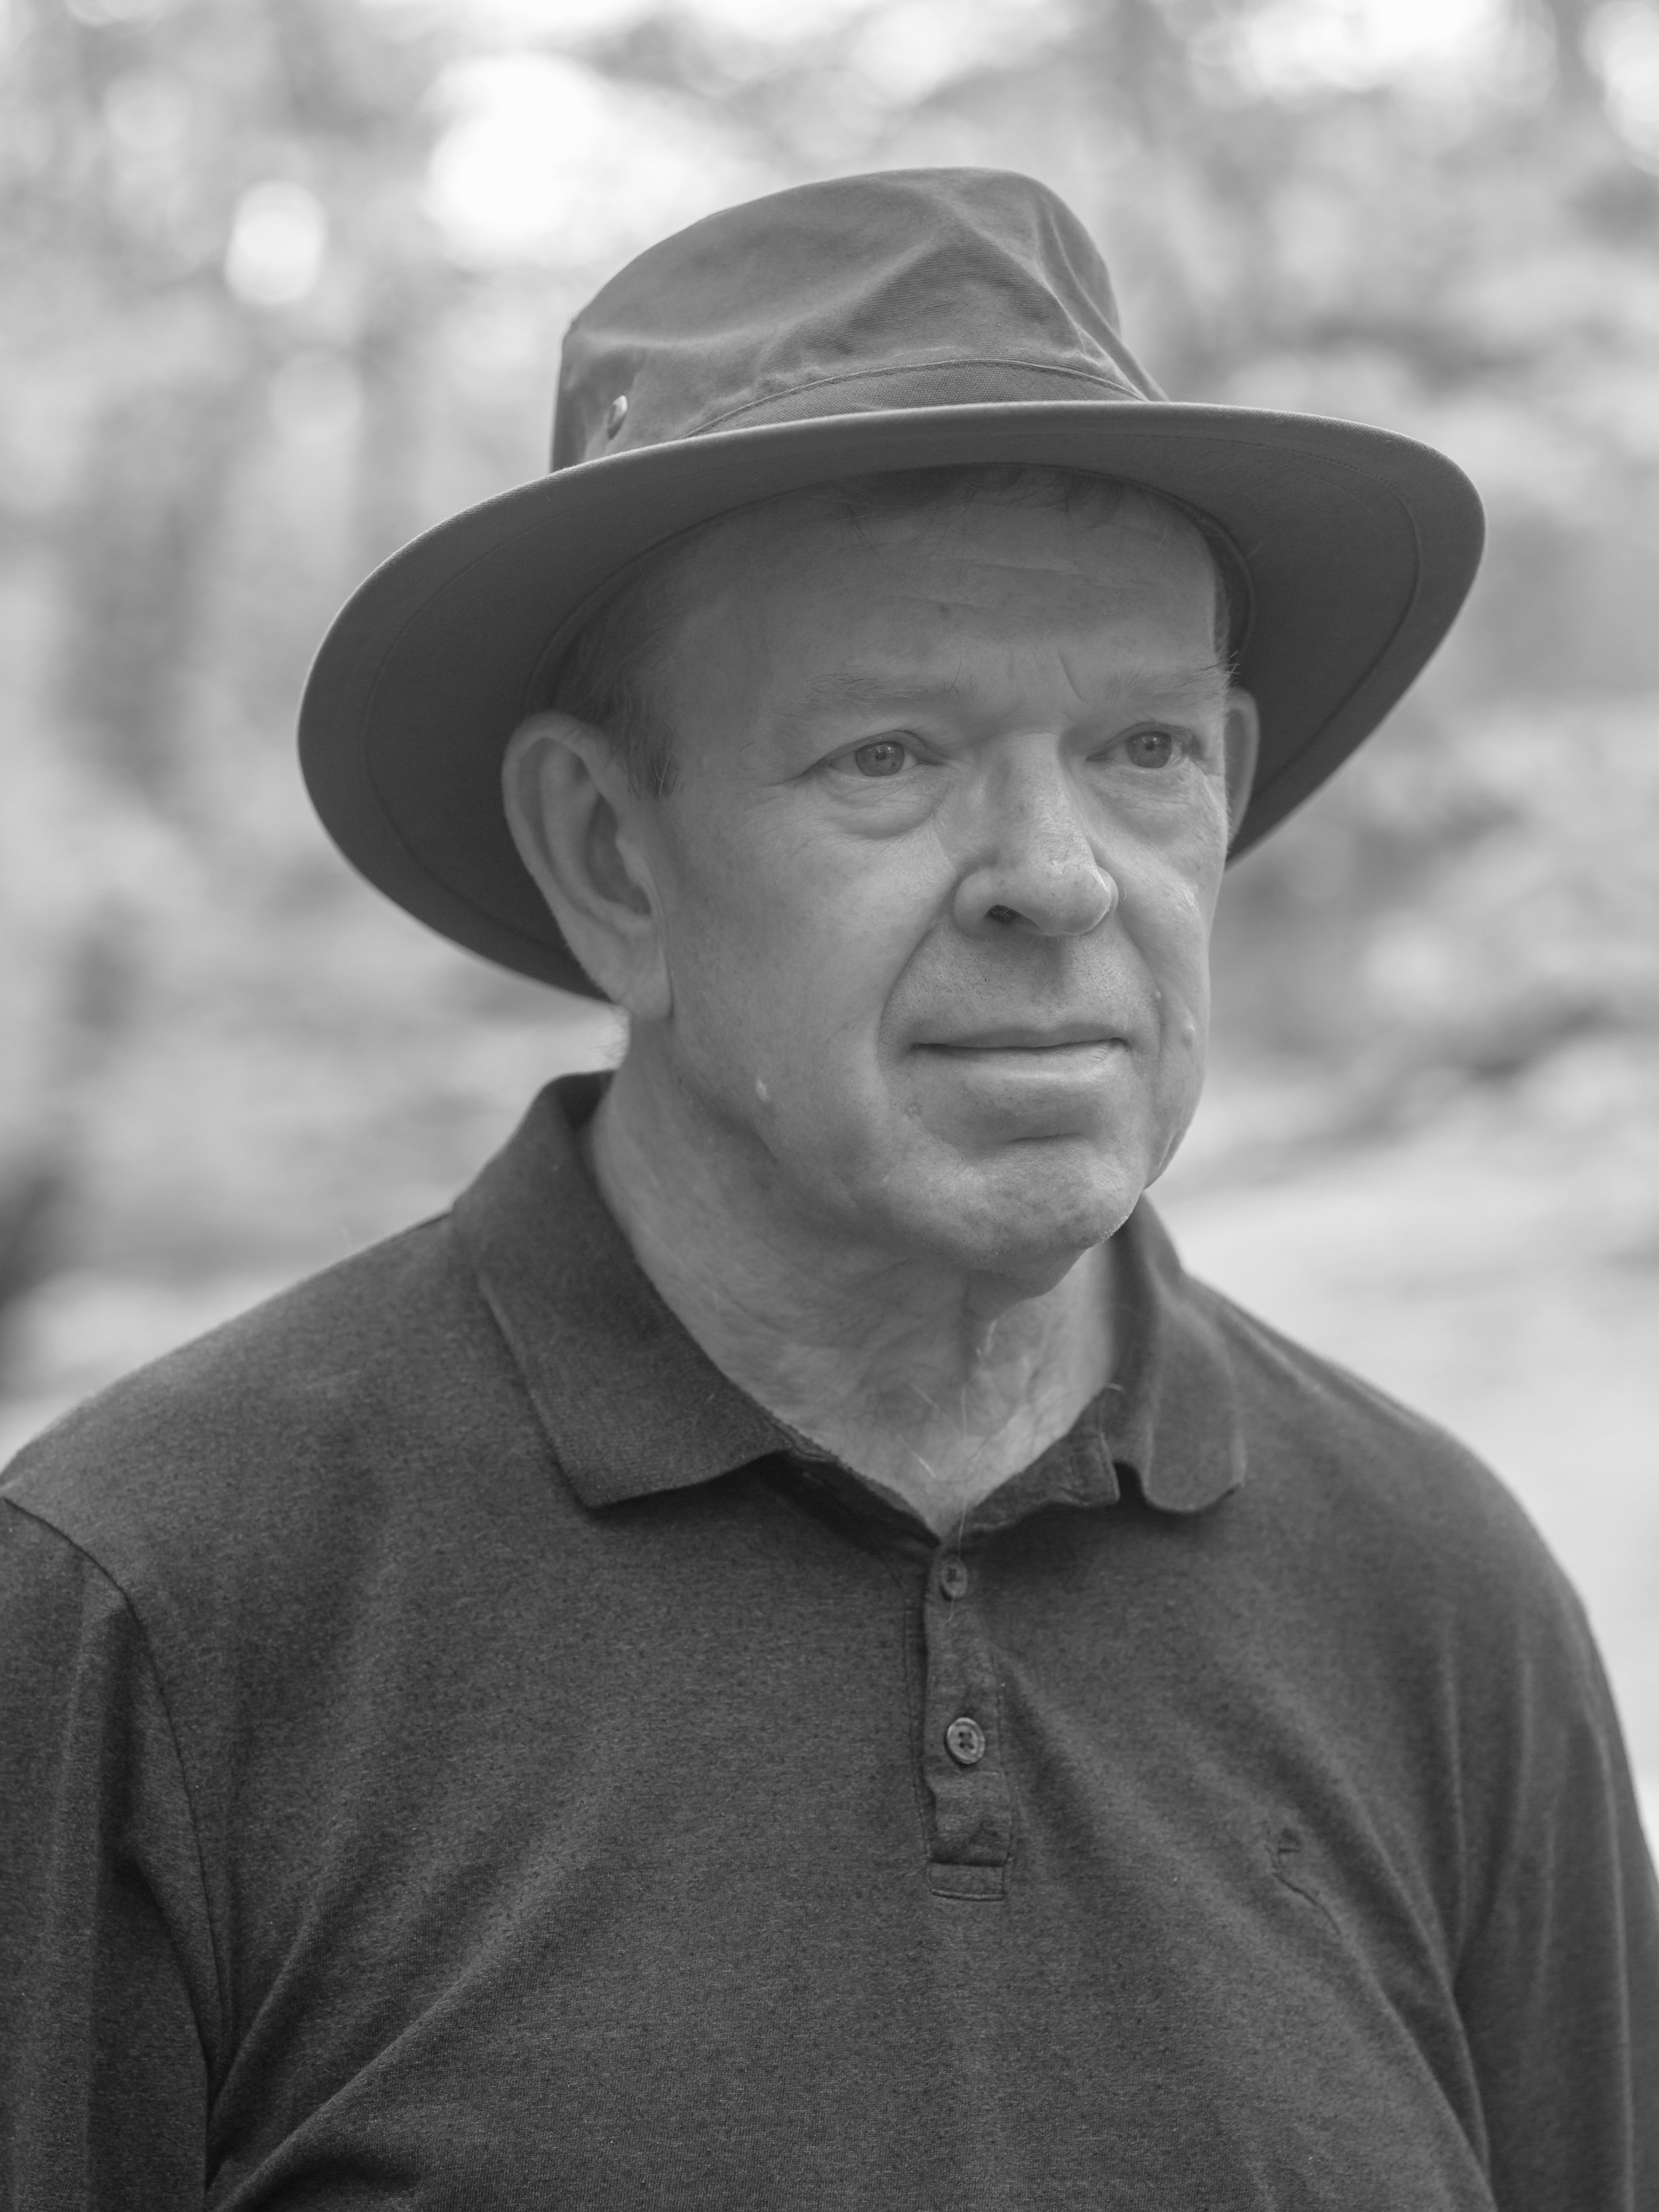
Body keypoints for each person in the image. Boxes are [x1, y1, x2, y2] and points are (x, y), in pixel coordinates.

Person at [2, 169, 1654, 2211]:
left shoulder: (1437, 1595)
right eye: (889, 754)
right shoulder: (155, 1610)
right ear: (610, 855)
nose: (1055, 876)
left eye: (1141, 746)